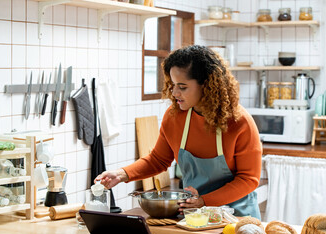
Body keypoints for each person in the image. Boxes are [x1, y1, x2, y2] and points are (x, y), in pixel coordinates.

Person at [95, 45, 262, 219]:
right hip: (194, 216)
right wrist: (121, 174)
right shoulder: (175, 116)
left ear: (207, 85)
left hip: (237, 217)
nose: (174, 93)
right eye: (173, 85)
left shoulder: (239, 122)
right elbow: (158, 160)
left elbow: (248, 179)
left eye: (182, 87)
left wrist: (204, 201)